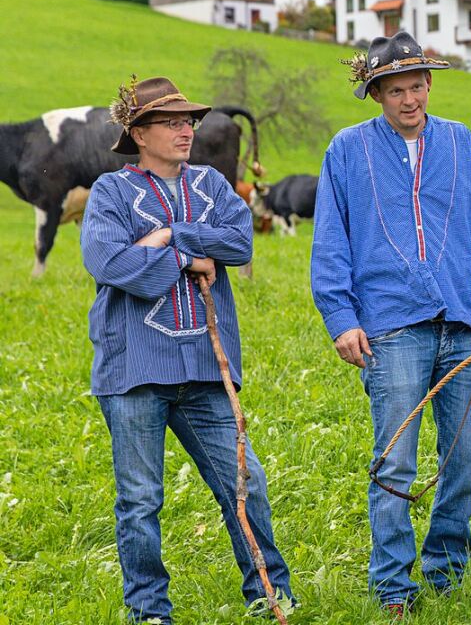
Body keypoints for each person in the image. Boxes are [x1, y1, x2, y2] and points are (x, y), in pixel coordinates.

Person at [311, 31, 471, 618]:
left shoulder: (459, 142)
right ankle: (393, 586)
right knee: (396, 458)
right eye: (395, 89)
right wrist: (341, 317)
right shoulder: (347, 150)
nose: (409, 99)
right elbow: (330, 241)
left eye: (417, 86)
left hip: (463, 322)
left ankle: (447, 570)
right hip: (390, 325)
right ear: (376, 93)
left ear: (430, 85)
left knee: (466, 458)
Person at [80, 76, 293, 625]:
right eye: (172, 122)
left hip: (205, 369)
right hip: (134, 370)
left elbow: (241, 243)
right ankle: (149, 610)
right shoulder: (110, 193)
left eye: (189, 121)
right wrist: (187, 257)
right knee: (140, 500)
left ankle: (271, 595)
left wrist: (164, 237)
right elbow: (110, 265)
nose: (186, 131)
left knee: (246, 484)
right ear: (139, 133)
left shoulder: (214, 186)